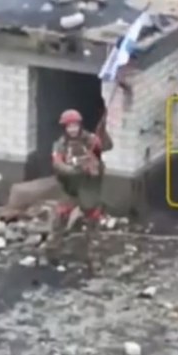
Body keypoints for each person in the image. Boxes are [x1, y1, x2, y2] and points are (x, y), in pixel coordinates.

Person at [47, 109, 113, 263]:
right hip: (70, 188)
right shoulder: (60, 145)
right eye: (69, 126)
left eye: (75, 125)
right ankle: (52, 251)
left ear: (80, 125)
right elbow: (57, 164)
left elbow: (106, 146)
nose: (73, 129)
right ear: (65, 128)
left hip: (89, 187)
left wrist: (103, 132)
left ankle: (93, 254)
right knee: (60, 217)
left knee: (93, 218)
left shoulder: (90, 139)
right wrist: (75, 170)